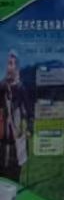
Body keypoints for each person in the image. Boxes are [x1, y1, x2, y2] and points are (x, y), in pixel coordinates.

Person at [0, 52, 28, 181]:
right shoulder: (1, 87)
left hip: (16, 142)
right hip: (2, 142)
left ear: (17, 68)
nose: (11, 67)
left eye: (14, 64)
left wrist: (28, 128)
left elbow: (28, 111)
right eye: (9, 64)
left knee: (14, 176)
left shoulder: (21, 88)